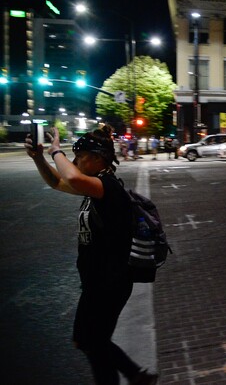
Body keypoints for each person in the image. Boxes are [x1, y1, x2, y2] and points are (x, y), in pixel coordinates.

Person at [25, 126, 158, 385]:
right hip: (96, 282)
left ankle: (135, 375)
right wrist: (38, 158)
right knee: (89, 341)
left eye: (81, 156)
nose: (76, 162)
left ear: (98, 158)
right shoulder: (94, 188)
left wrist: (56, 151)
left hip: (110, 282)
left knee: (92, 342)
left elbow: (72, 177)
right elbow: (57, 181)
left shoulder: (108, 187)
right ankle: (135, 376)